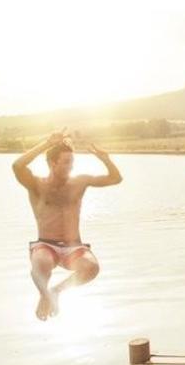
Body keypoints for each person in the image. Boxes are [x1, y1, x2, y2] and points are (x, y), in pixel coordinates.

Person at [12, 130, 123, 320]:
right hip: (46, 245)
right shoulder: (36, 184)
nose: (70, 167)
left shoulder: (79, 182)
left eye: (72, 163)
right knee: (41, 263)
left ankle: (54, 292)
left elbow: (115, 179)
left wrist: (106, 159)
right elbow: (17, 165)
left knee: (92, 268)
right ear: (52, 163)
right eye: (66, 163)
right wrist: (47, 143)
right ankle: (45, 295)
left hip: (74, 246)